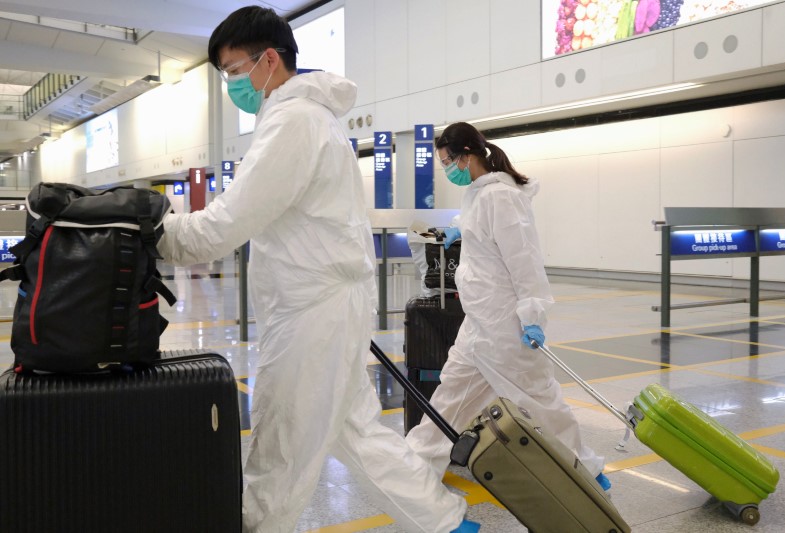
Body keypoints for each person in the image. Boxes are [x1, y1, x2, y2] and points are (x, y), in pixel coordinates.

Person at [156, 7, 478, 533]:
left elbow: (224, 225)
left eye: (234, 69)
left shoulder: (294, 123)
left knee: (282, 441)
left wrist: (154, 234)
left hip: (310, 312)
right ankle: (446, 522)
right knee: (355, 430)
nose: (231, 83)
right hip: (324, 302)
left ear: (269, 60)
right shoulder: (307, 119)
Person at [405, 122, 611, 492]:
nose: (448, 169)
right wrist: (458, 230)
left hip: (504, 323)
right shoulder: (480, 194)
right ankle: (415, 472)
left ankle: (584, 469)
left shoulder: (502, 197)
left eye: (449, 161)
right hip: (479, 322)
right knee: (452, 393)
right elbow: (482, 235)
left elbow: (525, 261)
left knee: (537, 400)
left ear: (467, 155)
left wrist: (532, 315)